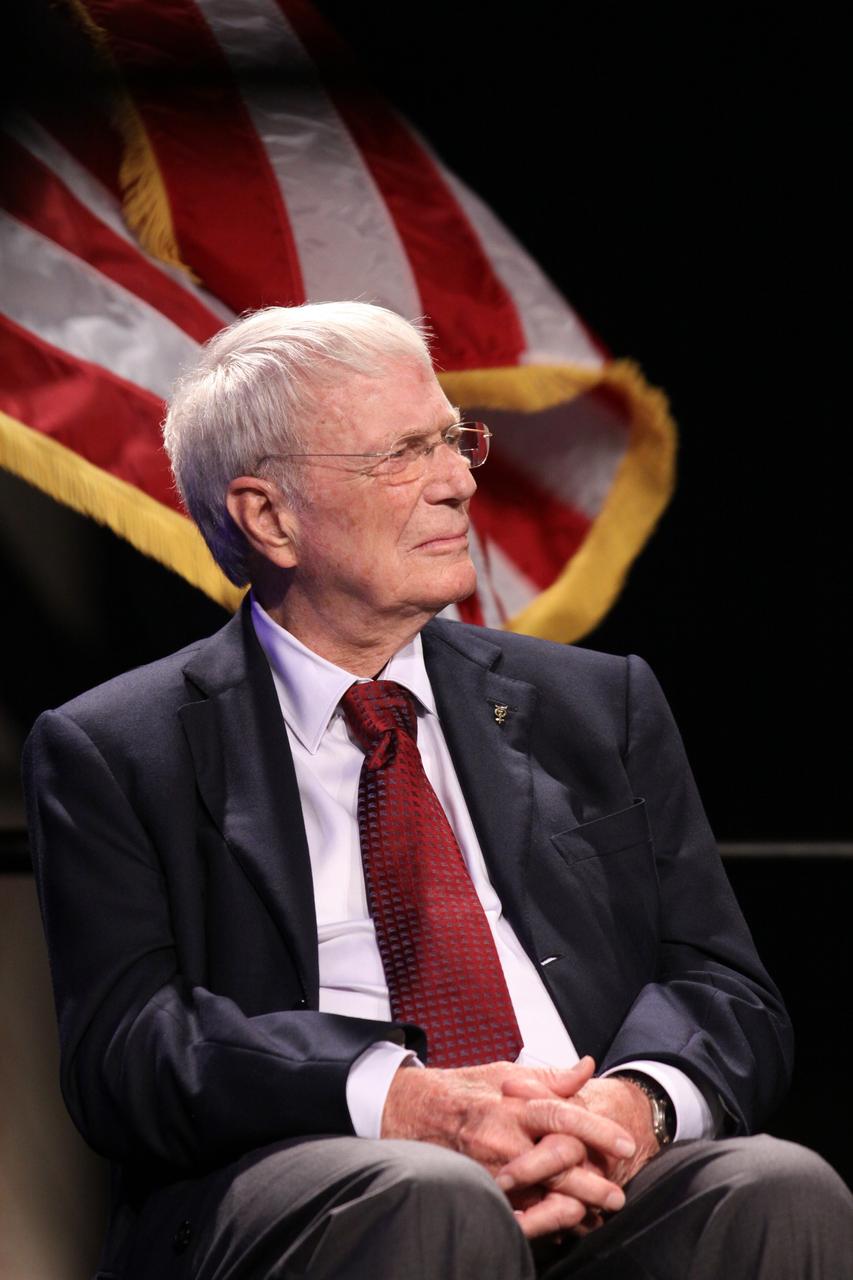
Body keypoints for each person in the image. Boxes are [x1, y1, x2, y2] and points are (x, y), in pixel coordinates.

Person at [24, 302, 852, 1279]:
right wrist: (402, 1098)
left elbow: (726, 989)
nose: (461, 480)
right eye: (404, 454)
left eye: (456, 440)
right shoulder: (117, 746)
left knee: (774, 1185)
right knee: (433, 1192)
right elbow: (130, 1050)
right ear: (268, 516)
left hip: (591, 1172)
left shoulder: (595, 702)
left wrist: (634, 1102)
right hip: (313, 1189)